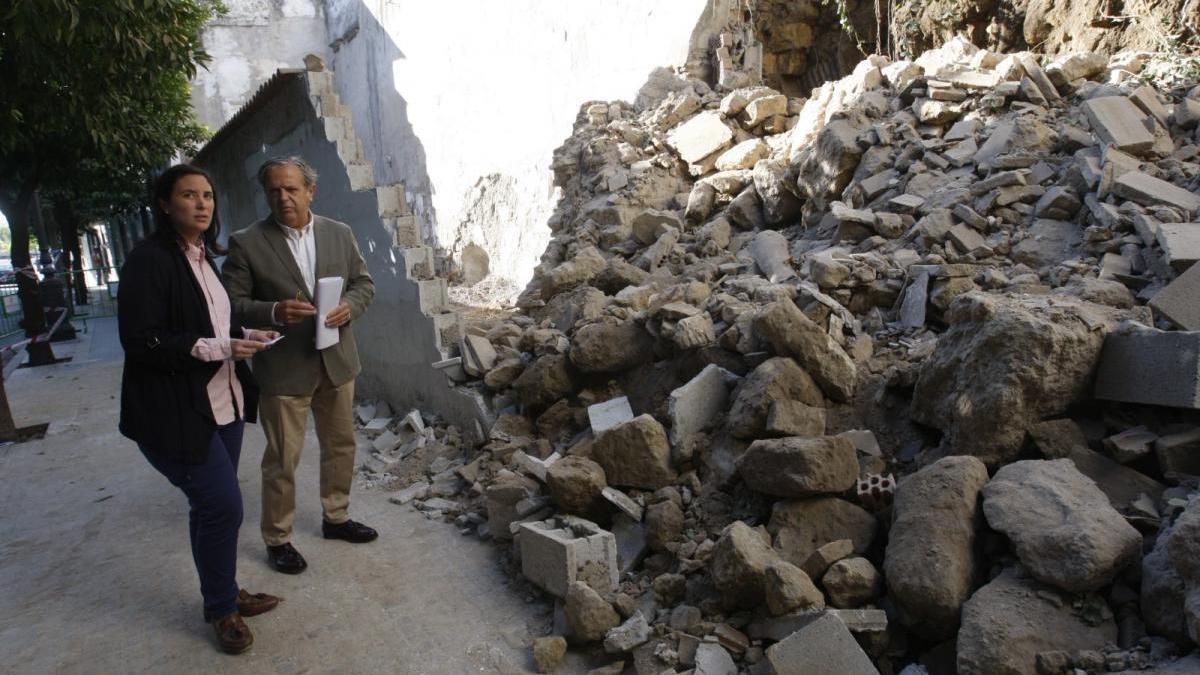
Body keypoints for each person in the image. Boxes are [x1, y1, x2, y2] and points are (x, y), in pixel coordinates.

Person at [118, 164, 282, 654]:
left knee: (209, 508)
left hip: (223, 402)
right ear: (165, 204)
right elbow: (142, 342)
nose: (202, 204)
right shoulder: (149, 260)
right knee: (223, 505)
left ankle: (224, 592)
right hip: (175, 410)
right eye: (189, 195)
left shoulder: (205, 259)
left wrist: (246, 336)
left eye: (208, 195)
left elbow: (214, 322)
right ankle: (221, 610)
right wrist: (222, 349)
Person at [223, 156, 377, 575]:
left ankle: (337, 517)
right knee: (282, 458)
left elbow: (364, 283)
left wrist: (350, 307)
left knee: (341, 445)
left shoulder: (339, 233)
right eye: (274, 190)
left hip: (336, 360)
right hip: (284, 368)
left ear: (311, 190)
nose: (283, 197)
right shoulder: (247, 242)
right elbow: (230, 304)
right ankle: (278, 538)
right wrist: (272, 310)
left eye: (291, 188)